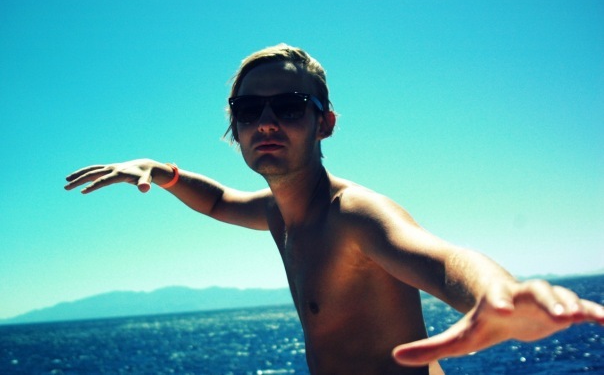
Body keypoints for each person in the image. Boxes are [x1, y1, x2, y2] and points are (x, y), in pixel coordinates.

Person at [65, 44, 604, 375]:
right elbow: (219, 201)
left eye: (290, 106)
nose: (266, 122)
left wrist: (498, 294)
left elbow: (442, 261)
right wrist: (161, 172)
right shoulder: (277, 213)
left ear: (324, 123)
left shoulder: (355, 215)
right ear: (236, 127)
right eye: (249, 110)